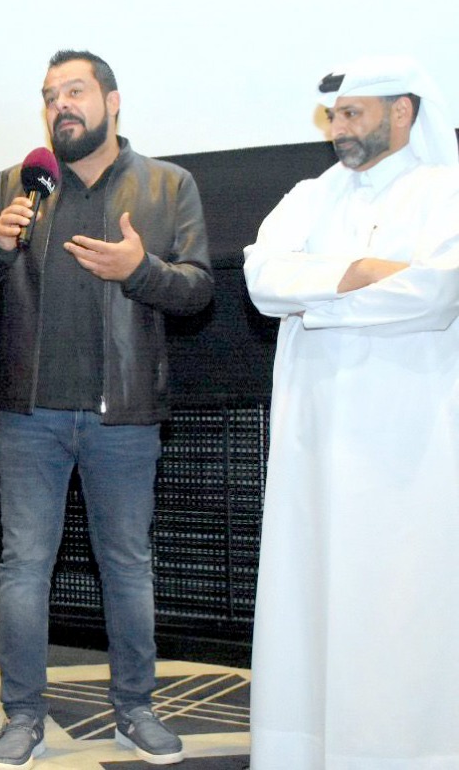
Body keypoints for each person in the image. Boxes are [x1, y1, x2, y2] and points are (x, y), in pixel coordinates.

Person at [0, 50, 214, 768]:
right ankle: (22, 717)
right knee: (23, 568)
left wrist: (142, 271)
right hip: (30, 416)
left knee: (127, 567)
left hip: (123, 417)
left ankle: (135, 709)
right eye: (49, 96)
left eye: (74, 91)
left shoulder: (168, 185)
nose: (60, 105)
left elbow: (198, 290)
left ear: (112, 100)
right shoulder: (18, 184)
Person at [244, 57, 459, 769]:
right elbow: (263, 277)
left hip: (407, 445)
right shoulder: (310, 195)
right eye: (333, 114)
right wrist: (358, 274)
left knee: (400, 602)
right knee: (312, 598)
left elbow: (434, 292)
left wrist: (320, 293)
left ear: (403, 112)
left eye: (353, 112)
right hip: (316, 438)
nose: (338, 127)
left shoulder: (444, 191)